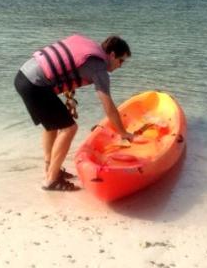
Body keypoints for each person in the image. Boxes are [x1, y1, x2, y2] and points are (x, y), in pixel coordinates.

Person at [14, 34, 135, 191]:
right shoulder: (99, 67)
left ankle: (50, 169)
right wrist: (123, 132)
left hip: (23, 77)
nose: (120, 65)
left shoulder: (90, 48)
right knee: (70, 128)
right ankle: (51, 181)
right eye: (121, 60)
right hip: (36, 85)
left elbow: (66, 64)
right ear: (112, 55)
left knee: (52, 126)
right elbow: (108, 105)